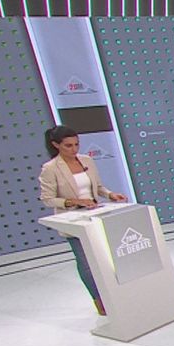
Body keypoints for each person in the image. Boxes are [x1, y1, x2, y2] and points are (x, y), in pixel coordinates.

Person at [38, 125, 128, 316]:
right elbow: (47, 199)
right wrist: (75, 201)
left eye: (76, 144)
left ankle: (117, 293)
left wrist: (111, 195)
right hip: (72, 220)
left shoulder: (86, 160)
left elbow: (98, 187)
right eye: (68, 146)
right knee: (85, 261)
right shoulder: (50, 168)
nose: (74, 149)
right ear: (56, 145)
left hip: (96, 215)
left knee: (108, 256)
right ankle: (99, 299)